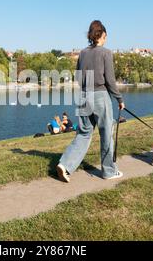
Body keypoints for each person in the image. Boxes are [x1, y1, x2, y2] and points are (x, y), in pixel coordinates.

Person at [56, 20, 125, 183]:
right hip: (100, 96)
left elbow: (79, 78)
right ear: (102, 35)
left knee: (83, 134)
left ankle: (64, 164)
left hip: (84, 96)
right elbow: (110, 80)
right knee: (106, 133)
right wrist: (120, 99)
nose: (106, 39)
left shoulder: (83, 53)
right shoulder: (106, 53)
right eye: (106, 35)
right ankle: (108, 171)